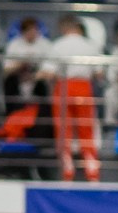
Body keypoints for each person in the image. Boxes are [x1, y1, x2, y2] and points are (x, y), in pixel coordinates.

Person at [43, 11, 104, 183]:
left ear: (64, 27)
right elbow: (99, 74)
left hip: (64, 87)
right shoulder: (90, 45)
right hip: (84, 87)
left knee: (64, 131)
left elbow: (48, 73)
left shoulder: (58, 45)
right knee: (86, 130)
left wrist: (38, 75)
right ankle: (92, 171)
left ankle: (67, 170)